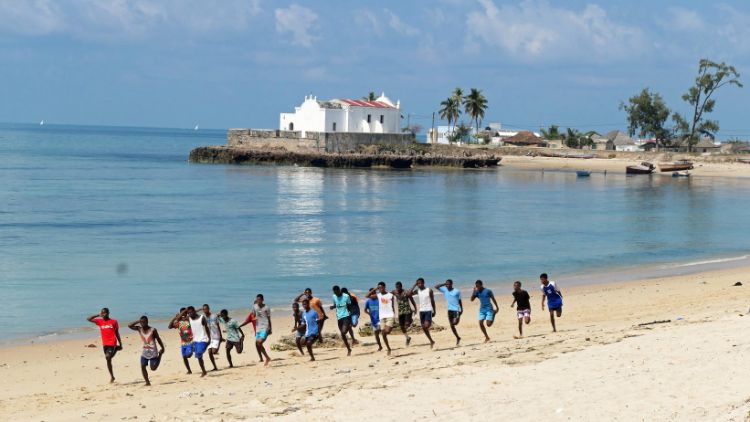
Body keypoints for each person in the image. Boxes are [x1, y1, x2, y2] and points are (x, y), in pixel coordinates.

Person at [86, 308, 122, 383]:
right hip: (105, 344)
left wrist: (120, 343)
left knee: (108, 356)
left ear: (108, 313)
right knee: (108, 360)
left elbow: (117, 333)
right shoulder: (100, 321)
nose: (103, 314)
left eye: (105, 313)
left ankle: (116, 349)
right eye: (102, 313)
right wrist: (98, 315)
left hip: (112, 342)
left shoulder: (114, 322)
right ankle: (112, 376)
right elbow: (88, 319)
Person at [127, 316, 165, 386]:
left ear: (147, 322)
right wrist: (138, 321)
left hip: (153, 351)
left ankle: (160, 355)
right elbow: (129, 325)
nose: (142, 323)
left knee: (153, 368)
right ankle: (147, 382)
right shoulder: (139, 329)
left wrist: (162, 347)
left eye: (144, 322)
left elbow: (158, 339)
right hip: (145, 351)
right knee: (143, 366)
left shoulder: (153, 330)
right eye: (141, 322)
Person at [366, 282, 395, 355]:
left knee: (387, 331)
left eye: (381, 287)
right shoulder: (378, 296)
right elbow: (367, 296)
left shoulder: (390, 295)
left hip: (389, 316)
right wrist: (375, 288)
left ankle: (391, 326)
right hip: (382, 317)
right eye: (379, 288)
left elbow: (392, 306)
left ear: (385, 287)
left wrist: (394, 314)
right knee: (383, 334)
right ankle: (388, 348)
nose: (380, 289)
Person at [434, 279, 463, 345]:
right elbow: (436, 286)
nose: (447, 285)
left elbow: (460, 301)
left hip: (456, 309)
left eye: (449, 284)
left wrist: (462, 309)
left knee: (455, 323)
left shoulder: (457, 291)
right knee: (452, 325)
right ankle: (458, 337)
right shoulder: (445, 290)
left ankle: (458, 318)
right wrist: (444, 284)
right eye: (447, 284)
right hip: (449, 310)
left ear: (452, 284)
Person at [410, 278, 436, 348]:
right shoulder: (417, 291)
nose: (420, 285)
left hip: (428, 310)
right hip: (421, 311)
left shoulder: (429, 290)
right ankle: (431, 341)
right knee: (424, 327)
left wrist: (434, 310)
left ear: (424, 283)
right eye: (418, 283)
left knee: (426, 326)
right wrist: (414, 285)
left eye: (421, 283)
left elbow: (433, 301)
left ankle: (430, 323)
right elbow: (409, 293)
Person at [186, 306, 211, 376]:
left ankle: (203, 371)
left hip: (203, 339)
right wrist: (185, 310)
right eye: (188, 313)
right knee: (188, 355)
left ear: (194, 311)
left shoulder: (202, 318)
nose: (190, 314)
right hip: (194, 340)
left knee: (199, 354)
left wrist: (210, 339)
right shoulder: (189, 318)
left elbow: (207, 328)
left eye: (191, 312)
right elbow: (178, 318)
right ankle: (204, 371)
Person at [169, 307, 193, 374]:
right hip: (183, 343)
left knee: (188, 355)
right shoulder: (178, 323)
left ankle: (193, 348)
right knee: (184, 357)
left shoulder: (189, 320)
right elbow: (169, 326)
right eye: (182, 313)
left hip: (190, 341)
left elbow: (191, 316)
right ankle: (189, 370)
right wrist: (174, 317)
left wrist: (185, 312)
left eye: (185, 313)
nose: (183, 314)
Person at [330, 285, 353, 356]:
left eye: (337, 292)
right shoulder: (334, 296)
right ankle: (348, 349)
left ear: (339, 290)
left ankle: (348, 326)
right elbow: (336, 304)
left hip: (346, 316)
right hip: (339, 317)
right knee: (343, 335)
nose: (336, 294)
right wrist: (333, 307)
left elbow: (350, 306)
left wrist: (350, 316)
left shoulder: (346, 296)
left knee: (343, 332)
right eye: (334, 292)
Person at [392, 282, 416, 347]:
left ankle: (411, 320)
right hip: (400, 312)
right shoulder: (394, 292)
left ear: (401, 286)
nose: (398, 288)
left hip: (407, 310)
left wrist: (415, 308)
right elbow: (387, 296)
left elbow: (412, 300)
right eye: (396, 287)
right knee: (402, 327)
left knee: (407, 324)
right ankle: (408, 338)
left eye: (399, 287)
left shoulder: (406, 292)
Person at [253, 294, 272, 366]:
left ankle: (267, 358)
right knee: (258, 344)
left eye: (259, 299)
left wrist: (270, 328)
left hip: (265, 327)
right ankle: (267, 358)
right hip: (258, 328)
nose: (258, 301)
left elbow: (269, 318)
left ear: (262, 300)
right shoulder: (254, 306)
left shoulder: (267, 307)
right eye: (257, 299)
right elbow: (254, 315)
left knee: (259, 342)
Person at [202, 304, 222, 371]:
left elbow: (218, 326)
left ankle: (219, 344)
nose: (205, 310)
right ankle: (215, 367)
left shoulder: (214, 316)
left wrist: (221, 336)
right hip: (209, 337)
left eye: (206, 309)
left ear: (209, 309)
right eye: (204, 309)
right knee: (209, 352)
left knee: (214, 352)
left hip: (216, 336)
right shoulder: (203, 317)